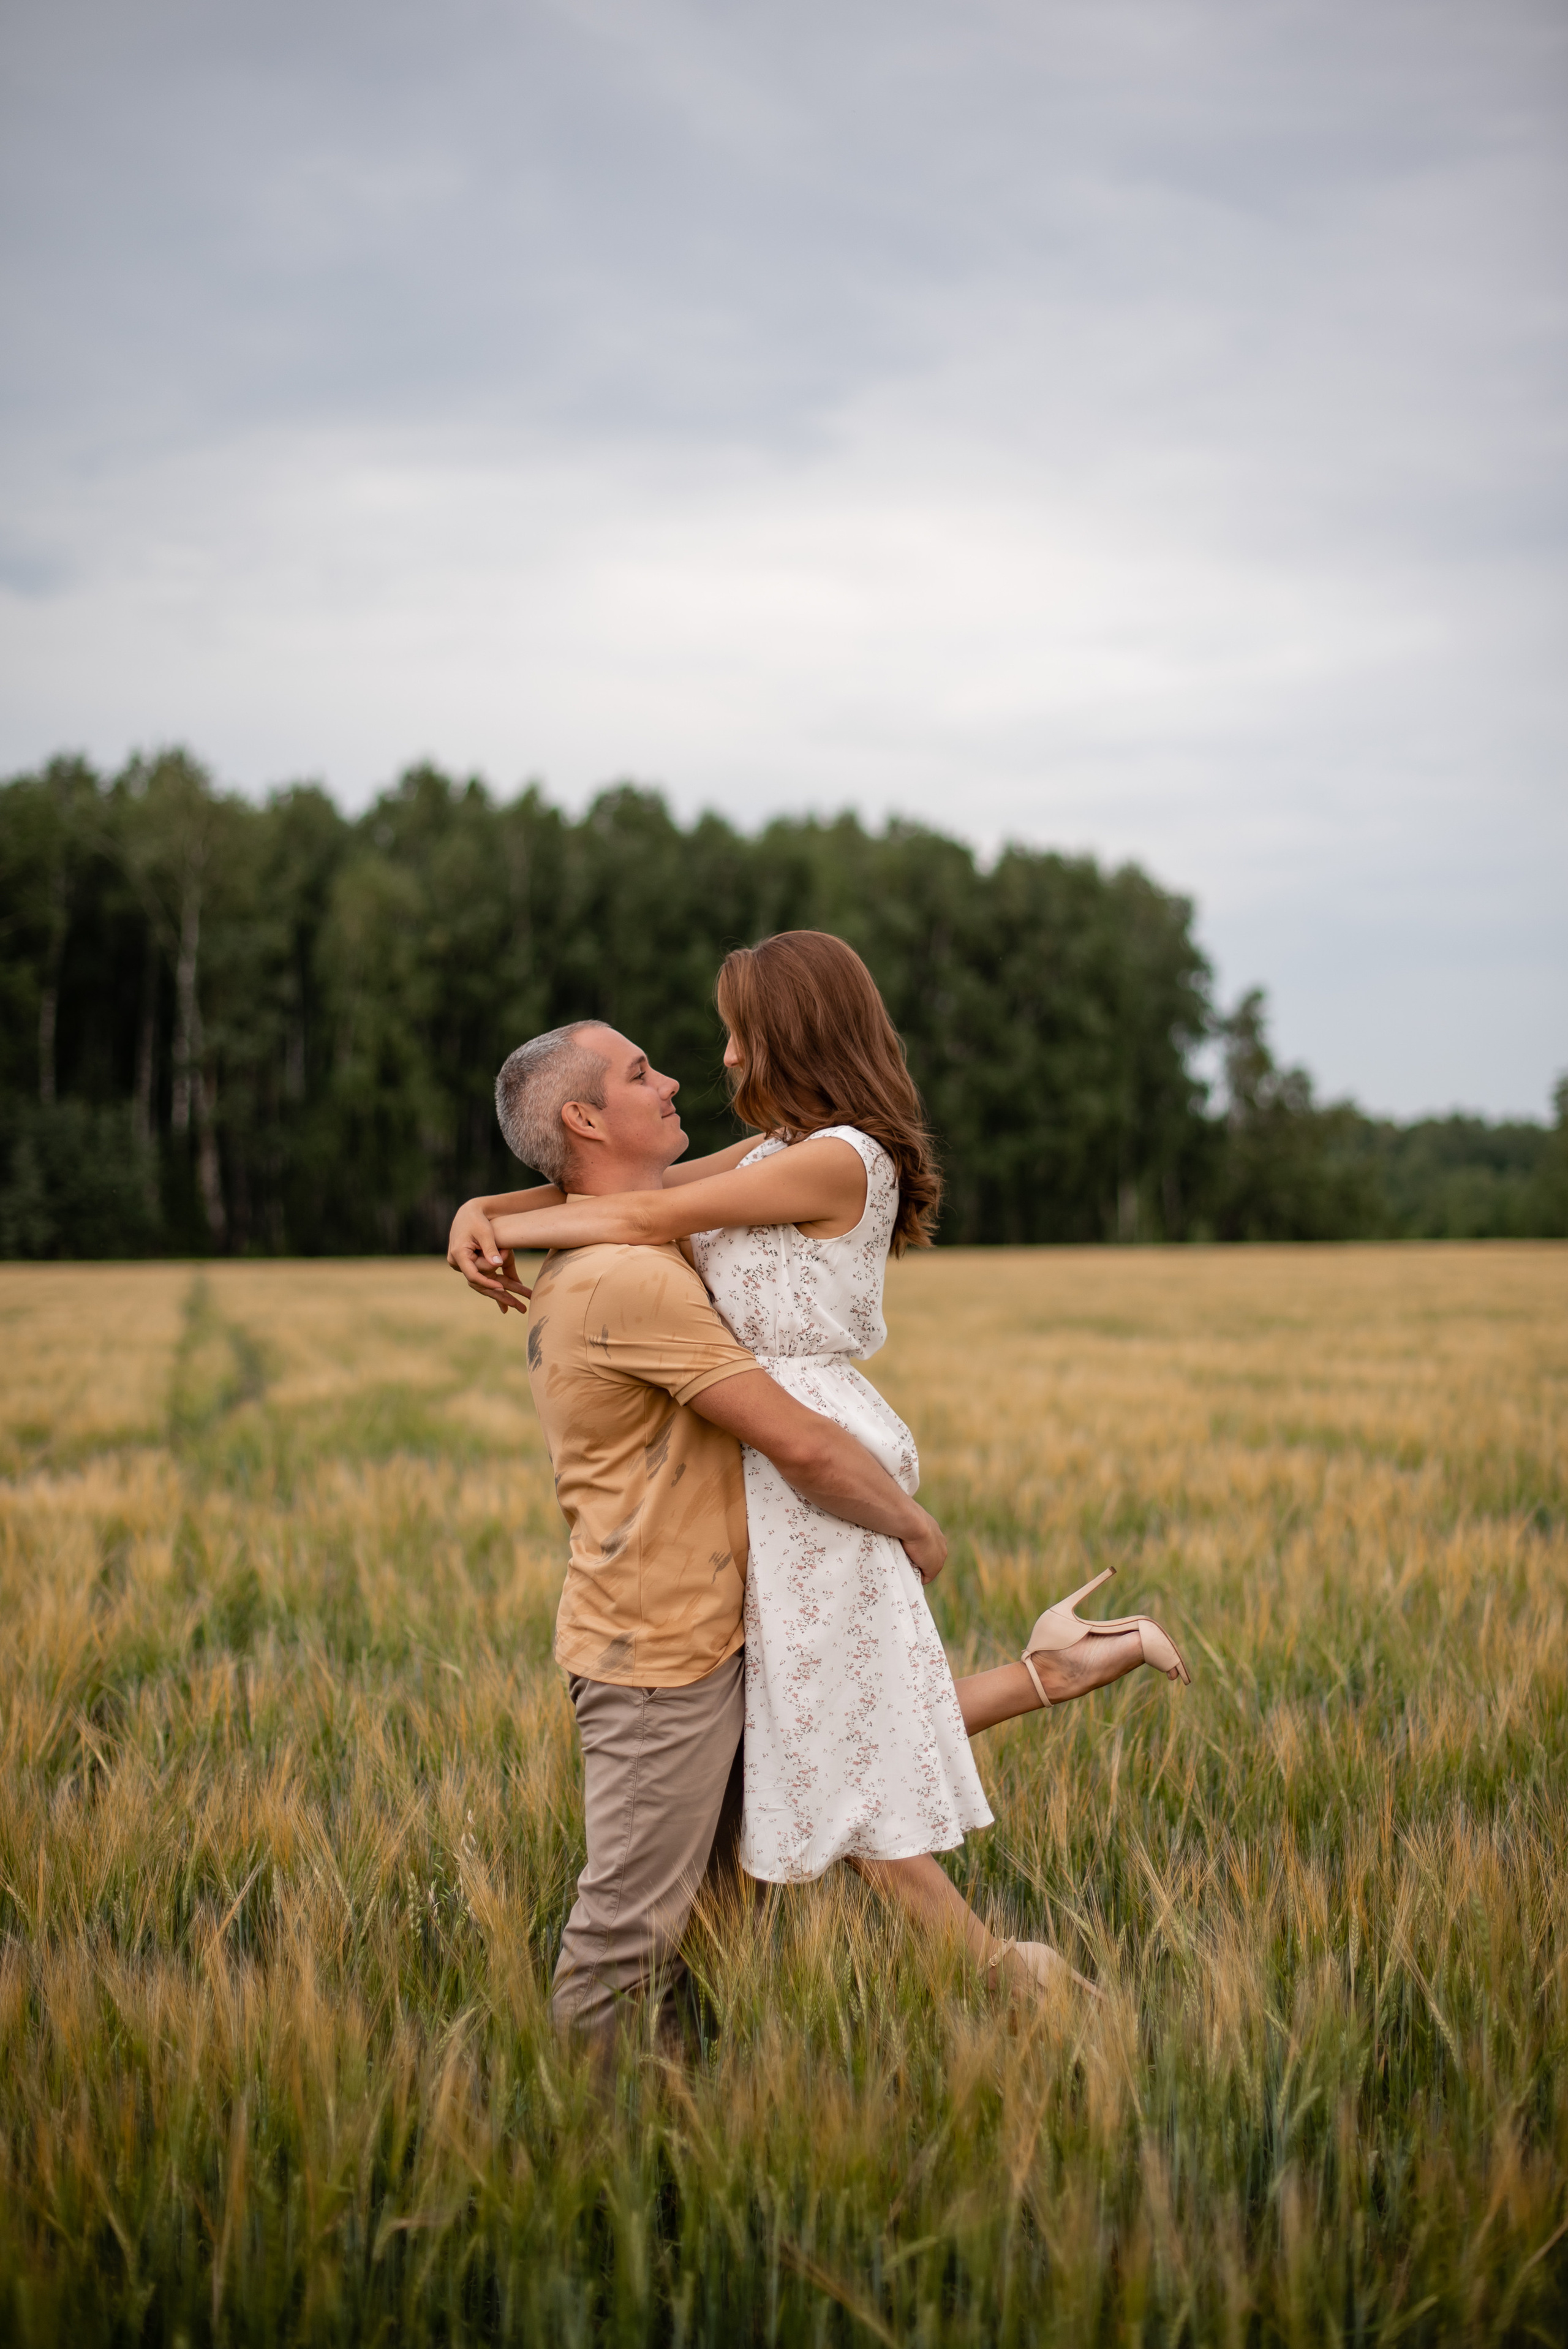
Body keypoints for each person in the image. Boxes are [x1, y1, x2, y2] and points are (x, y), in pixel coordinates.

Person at [450, 934, 1189, 2013]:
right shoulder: (770, 1154)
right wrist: (479, 1212)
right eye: (655, 1065)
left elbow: (647, 1210)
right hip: (767, 1459)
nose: (718, 1057)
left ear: (791, 1033)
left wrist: (914, 1525)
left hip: (805, 1448)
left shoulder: (839, 1156)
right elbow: (633, 1193)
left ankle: (1011, 1964)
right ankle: (1051, 1688)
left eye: (737, 1030)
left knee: (822, 1739)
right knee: (814, 1733)